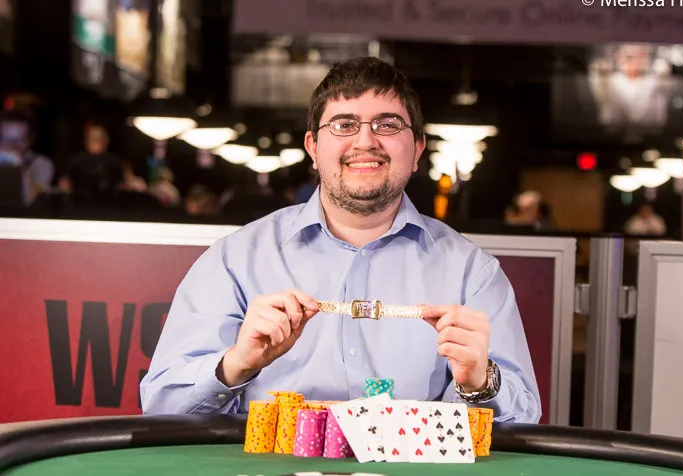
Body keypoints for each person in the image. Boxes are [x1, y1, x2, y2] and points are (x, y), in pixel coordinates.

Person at [140, 57, 541, 424]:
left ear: (418, 149)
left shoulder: (472, 273)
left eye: (388, 125)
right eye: (344, 125)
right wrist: (236, 363)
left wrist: (480, 383)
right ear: (313, 148)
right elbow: (161, 407)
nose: (365, 141)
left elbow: (524, 421)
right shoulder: (235, 260)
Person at [0, 110, 55, 206]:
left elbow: (29, 200)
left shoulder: (41, 164)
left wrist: (19, 166)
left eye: (18, 140)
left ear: (29, 141)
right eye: (6, 139)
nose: (11, 146)